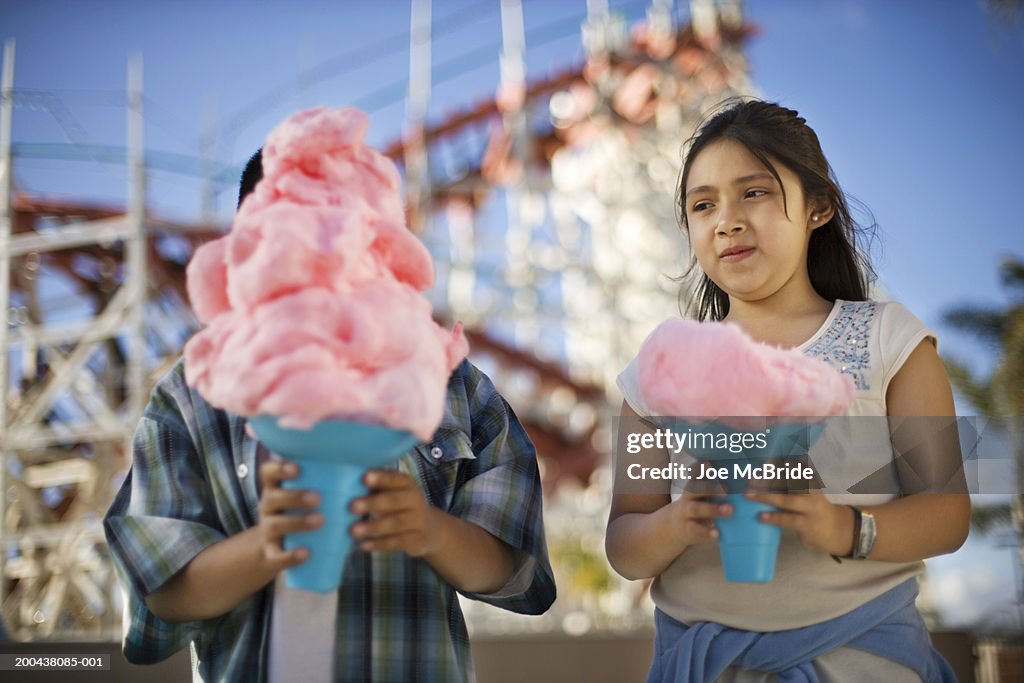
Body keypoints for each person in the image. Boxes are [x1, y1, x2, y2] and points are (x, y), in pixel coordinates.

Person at [104, 149, 556, 683]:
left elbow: (513, 566)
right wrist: (267, 545)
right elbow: (164, 591)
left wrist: (431, 531)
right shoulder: (194, 393)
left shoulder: (450, 382)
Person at [606, 100, 967, 682]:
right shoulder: (661, 367)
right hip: (707, 665)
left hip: (863, 660)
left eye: (754, 193)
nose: (727, 220)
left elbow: (948, 514)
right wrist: (678, 521)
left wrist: (844, 528)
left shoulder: (889, 340)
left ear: (817, 207)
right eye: (703, 205)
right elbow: (625, 544)